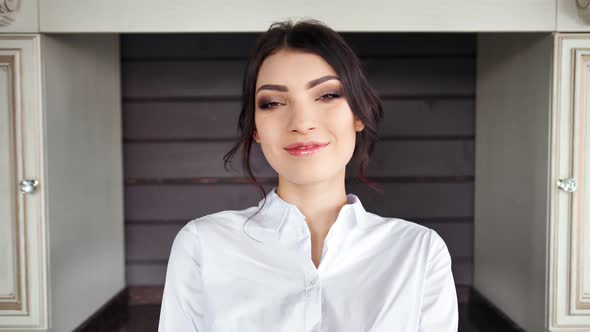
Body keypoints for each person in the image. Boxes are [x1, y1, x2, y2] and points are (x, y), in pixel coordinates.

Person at [158, 18, 458, 332]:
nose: (302, 122)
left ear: (358, 114)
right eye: (273, 102)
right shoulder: (202, 246)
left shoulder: (419, 253)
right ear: (256, 128)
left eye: (327, 95)